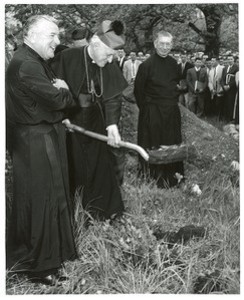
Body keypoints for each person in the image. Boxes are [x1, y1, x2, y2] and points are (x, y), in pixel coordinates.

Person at [6, 15, 77, 285]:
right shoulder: (27, 65)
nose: (58, 42)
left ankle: (48, 260)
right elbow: (59, 99)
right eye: (53, 35)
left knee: (49, 199)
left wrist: (59, 94)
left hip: (41, 137)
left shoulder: (34, 60)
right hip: (34, 141)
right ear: (32, 35)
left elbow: (54, 100)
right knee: (40, 202)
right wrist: (65, 89)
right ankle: (38, 267)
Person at [51, 20, 128, 221]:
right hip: (70, 123)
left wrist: (112, 125)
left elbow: (113, 97)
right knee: (74, 167)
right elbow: (52, 92)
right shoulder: (67, 58)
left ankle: (105, 212)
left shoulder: (108, 63)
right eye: (108, 54)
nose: (111, 60)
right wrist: (62, 117)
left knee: (101, 166)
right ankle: (77, 215)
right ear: (95, 43)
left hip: (95, 121)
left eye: (113, 55)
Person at [134, 29, 184, 188]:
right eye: (161, 44)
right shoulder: (146, 65)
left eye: (168, 44)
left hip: (171, 111)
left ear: (172, 45)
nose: (164, 47)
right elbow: (138, 91)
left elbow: (176, 86)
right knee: (153, 143)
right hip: (152, 111)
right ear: (155, 44)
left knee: (171, 143)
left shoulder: (174, 64)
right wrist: (147, 109)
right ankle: (152, 177)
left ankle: (172, 177)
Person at [221, 55, 239, 122]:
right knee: (225, 102)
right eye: (228, 59)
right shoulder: (225, 67)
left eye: (231, 59)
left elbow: (236, 79)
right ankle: (225, 117)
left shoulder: (236, 67)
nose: (230, 60)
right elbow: (222, 78)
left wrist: (229, 86)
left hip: (231, 89)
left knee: (230, 103)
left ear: (233, 60)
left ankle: (230, 118)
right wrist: (223, 86)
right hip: (225, 88)